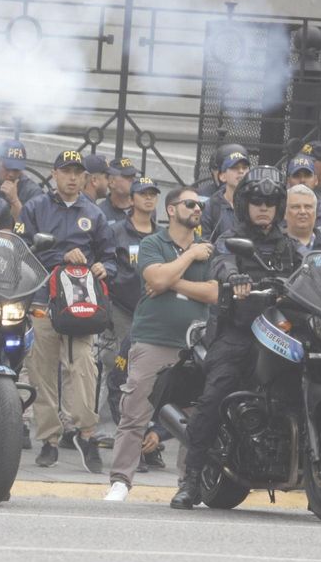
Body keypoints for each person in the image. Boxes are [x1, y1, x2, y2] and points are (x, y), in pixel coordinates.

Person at [170, 166, 298, 510]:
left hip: (279, 333)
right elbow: (220, 262)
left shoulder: (288, 246)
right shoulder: (231, 237)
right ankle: (192, 480)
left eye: (271, 201)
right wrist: (236, 277)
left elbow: (308, 272)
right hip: (239, 333)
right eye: (257, 200)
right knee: (214, 396)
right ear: (245, 203)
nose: (264, 207)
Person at [105, 187, 216, 501]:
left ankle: (187, 481)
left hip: (194, 344)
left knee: (193, 415)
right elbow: (153, 280)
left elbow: (214, 293)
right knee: (135, 412)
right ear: (171, 209)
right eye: (190, 203)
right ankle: (121, 480)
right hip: (152, 339)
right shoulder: (153, 243)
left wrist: (171, 280)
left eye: (200, 205)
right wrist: (190, 257)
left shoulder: (208, 249)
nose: (197, 209)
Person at [17, 150, 117, 472]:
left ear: (85, 177)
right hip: (44, 301)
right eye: (66, 171)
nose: (73, 177)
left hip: (80, 304)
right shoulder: (35, 208)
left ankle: (85, 432)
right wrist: (61, 256)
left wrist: (103, 267)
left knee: (83, 367)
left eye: (78, 172)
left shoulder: (95, 214)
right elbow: (23, 252)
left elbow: (110, 256)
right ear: (54, 174)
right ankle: (48, 439)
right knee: (42, 370)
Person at [96, 177, 159, 435]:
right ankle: (104, 428)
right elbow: (107, 262)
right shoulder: (116, 231)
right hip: (121, 309)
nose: (148, 198)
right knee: (114, 365)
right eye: (142, 194)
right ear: (131, 200)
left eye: (153, 194)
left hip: (151, 312)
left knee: (145, 371)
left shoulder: (160, 235)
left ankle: (143, 430)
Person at [200, 146, 252, 242]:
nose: (241, 171)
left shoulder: (257, 203)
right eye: (235, 168)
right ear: (222, 176)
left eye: (245, 168)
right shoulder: (210, 207)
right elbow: (203, 243)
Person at [283, 184, 321, 257]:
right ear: (284, 213)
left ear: (315, 212)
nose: (302, 211)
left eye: (308, 207)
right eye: (296, 207)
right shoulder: (273, 247)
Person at [0, 138, 42, 221]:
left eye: (16, 169)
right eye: (7, 168)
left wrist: (15, 201)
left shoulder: (32, 192)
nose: (11, 174)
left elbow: (29, 229)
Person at [98, 157, 137, 225]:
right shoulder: (100, 212)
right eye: (127, 176)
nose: (133, 180)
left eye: (134, 176)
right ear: (111, 182)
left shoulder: (142, 208)